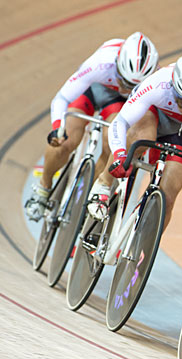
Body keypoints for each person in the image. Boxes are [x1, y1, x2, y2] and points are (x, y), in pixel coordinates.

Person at [86, 50, 182, 228]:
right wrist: (119, 154)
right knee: (142, 135)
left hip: (179, 131)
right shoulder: (158, 84)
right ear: (174, 90)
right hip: (152, 114)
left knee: (169, 194)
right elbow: (120, 123)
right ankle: (103, 184)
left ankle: (141, 252)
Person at [24, 32, 159, 221]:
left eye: (132, 85)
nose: (126, 87)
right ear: (117, 64)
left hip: (116, 103)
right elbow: (62, 98)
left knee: (110, 144)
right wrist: (57, 127)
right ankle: (44, 187)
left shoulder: (154, 79)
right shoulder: (101, 62)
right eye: (124, 80)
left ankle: (86, 198)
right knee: (65, 141)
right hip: (92, 88)